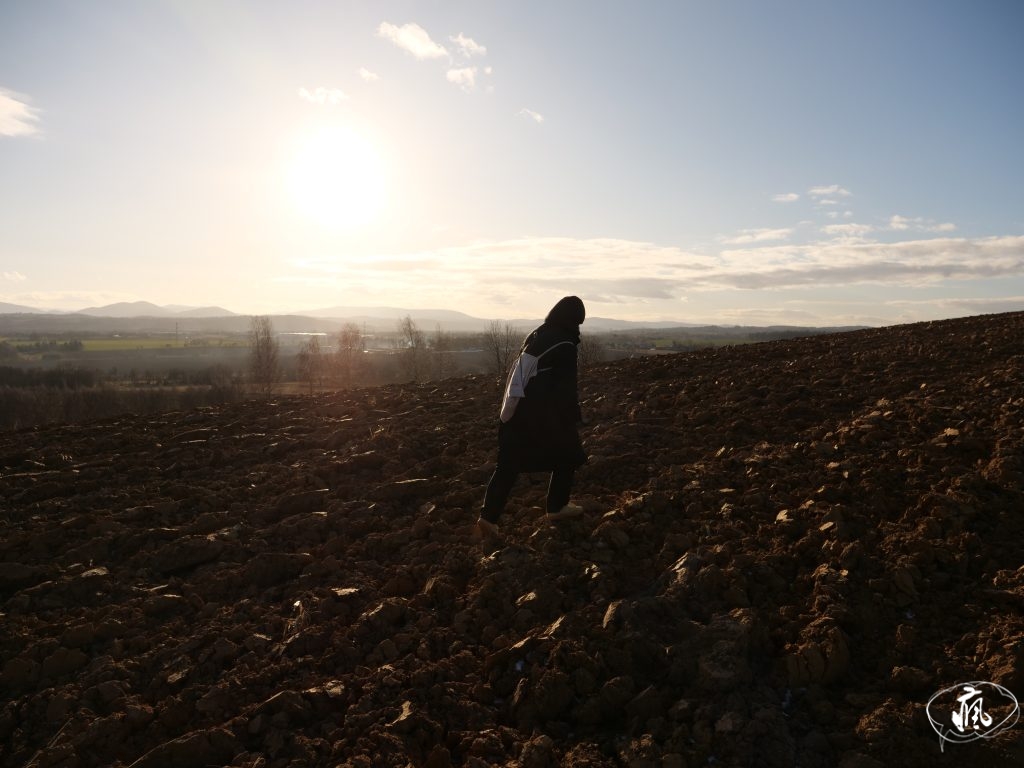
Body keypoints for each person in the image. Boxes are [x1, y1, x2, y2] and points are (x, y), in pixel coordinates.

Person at [477, 296, 588, 540]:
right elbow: (565, 387)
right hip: (544, 414)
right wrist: (573, 417)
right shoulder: (565, 344)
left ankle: (488, 518)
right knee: (568, 456)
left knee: (508, 465)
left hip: (518, 410)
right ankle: (558, 507)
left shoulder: (537, 335)